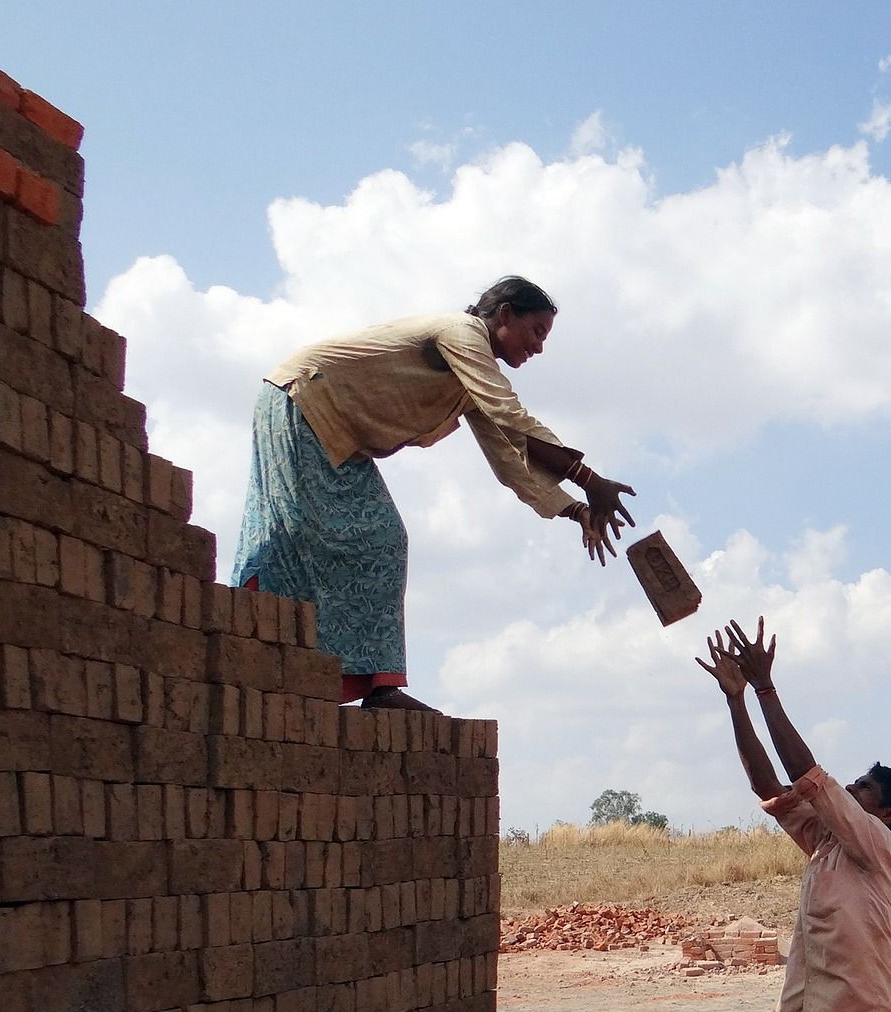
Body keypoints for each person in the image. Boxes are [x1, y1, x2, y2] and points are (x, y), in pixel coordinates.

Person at [232, 276, 637, 710]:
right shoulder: (461, 334)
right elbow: (511, 414)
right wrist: (590, 480)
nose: (539, 347)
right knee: (296, 537)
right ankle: (251, 644)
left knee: (382, 540)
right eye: (536, 331)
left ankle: (373, 685)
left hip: (340, 434)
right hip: (303, 402)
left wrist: (577, 510)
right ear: (504, 315)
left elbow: (510, 451)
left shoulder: (472, 376)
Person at [696, 617, 891, 1012]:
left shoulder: (877, 846)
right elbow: (769, 786)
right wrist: (736, 700)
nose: (849, 786)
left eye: (863, 786)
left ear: (886, 814)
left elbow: (805, 770)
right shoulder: (826, 845)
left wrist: (767, 688)